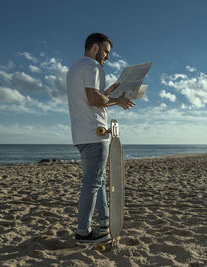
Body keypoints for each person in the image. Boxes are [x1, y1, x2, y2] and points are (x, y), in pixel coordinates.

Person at [66, 33, 135, 242]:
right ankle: (83, 232)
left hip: (81, 134)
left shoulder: (74, 69)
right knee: (92, 183)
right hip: (94, 133)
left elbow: (91, 97)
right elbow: (94, 99)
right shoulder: (93, 67)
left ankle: (105, 224)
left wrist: (109, 91)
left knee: (97, 180)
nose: (107, 57)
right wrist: (117, 101)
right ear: (95, 47)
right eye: (105, 52)